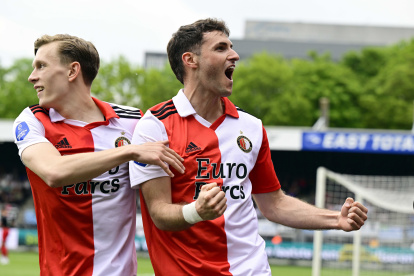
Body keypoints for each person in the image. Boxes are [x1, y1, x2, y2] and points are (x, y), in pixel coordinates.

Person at [129, 18, 368, 275]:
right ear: (190, 60)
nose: (234, 55)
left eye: (231, 47)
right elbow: (159, 214)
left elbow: (274, 204)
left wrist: (336, 219)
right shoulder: (155, 126)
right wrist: (197, 211)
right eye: (221, 48)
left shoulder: (251, 127)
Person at [13, 34, 184, 276]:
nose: (32, 76)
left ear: (73, 71)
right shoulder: (33, 120)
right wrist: (128, 151)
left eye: (41, 66)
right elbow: (53, 172)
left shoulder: (134, 120)